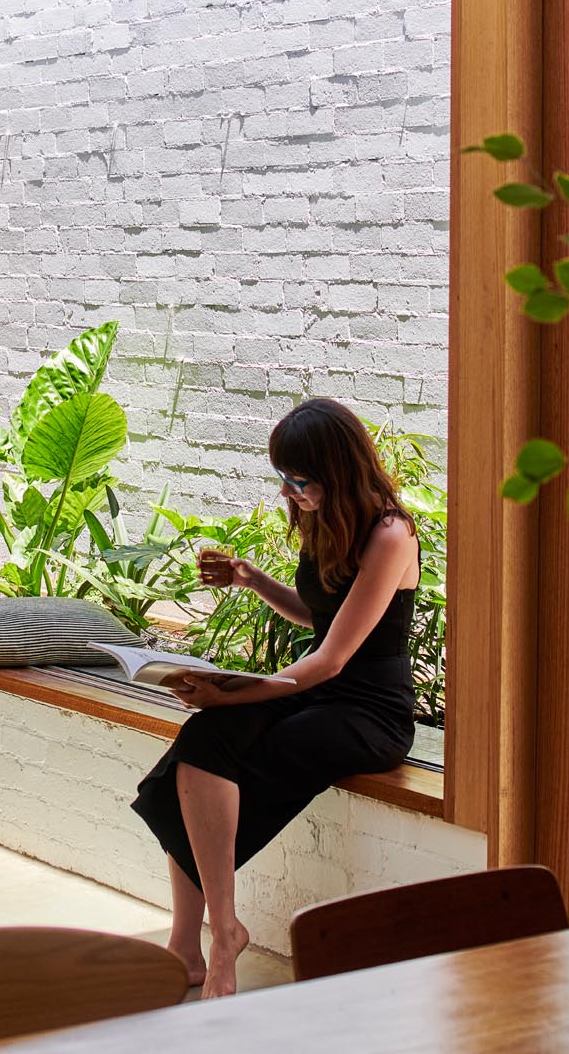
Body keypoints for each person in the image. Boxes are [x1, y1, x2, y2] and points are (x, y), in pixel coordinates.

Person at [132, 397, 419, 997]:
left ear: (337, 470)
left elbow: (334, 658)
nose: (290, 493)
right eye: (282, 480)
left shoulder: (390, 534)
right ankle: (195, 941)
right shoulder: (324, 517)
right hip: (317, 689)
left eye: (299, 480)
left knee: (239, 753)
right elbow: (317, 618)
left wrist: (232, 694)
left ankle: (221, 936)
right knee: (201, 743)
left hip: (368, 710)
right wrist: (251, 579)